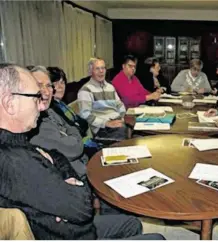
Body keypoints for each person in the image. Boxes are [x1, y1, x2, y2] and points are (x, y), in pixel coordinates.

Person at [0, 63, 164, 240]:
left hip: (77, 226)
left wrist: (63, 176)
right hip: (72, 234)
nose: (41, 104)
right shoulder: (16, 160)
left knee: (132, 223)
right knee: (158, 238)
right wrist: (70, 184)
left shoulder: (21, 142)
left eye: (48, 87)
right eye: (35, 96)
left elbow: (60, 155)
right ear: (10, 104)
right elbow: (83, 207)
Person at [28, 66, 87, 178]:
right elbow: (74, 148)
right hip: (76, 179)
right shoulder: (33, 124)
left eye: (49, 85)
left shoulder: (50, 111)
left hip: (85, 166)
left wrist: (70, 132)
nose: (46, 91)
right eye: (39, 85)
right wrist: (72, 132)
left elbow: (73, 127)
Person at [48, 66, 100, 158]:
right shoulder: (51, 108)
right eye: (56, 83)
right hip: (78, 148)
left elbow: (81, 123)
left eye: (62, 82)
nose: (60, 87)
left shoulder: (61, 103)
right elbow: (74, 127)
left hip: (85, 141)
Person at [78, 58, 128, 142]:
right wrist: (106, 123)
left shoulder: (110, 87)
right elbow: (85, 114)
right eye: (97, 68)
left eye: (103, 68)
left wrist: (121, 117)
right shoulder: (86, 90)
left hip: (117, 122)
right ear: (90, 71)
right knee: (124, 132)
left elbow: (120, 105)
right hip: (101, 129)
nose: (101, 71)